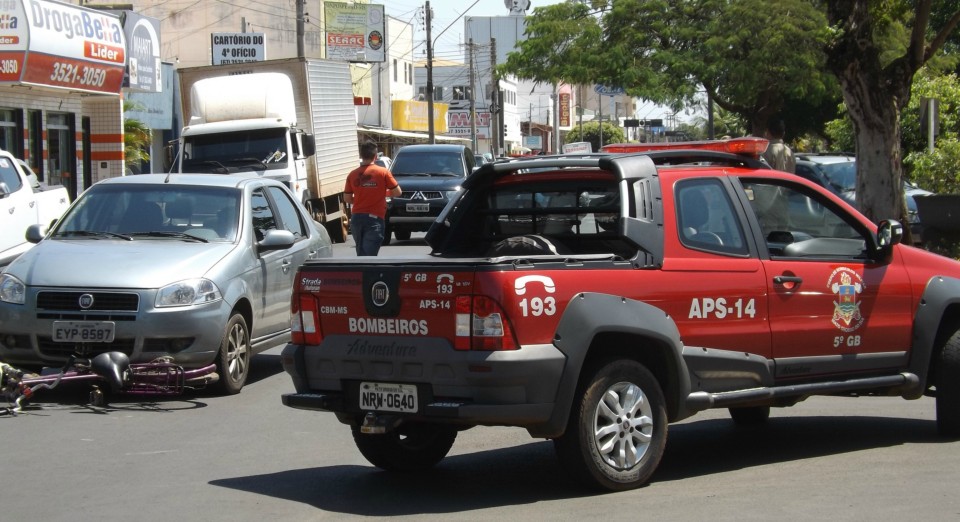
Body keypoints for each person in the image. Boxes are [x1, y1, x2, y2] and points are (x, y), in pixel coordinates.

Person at [344, 141, 401, 256]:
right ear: (375, 156)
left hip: (356, 218)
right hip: (374, 218)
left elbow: (347, 198)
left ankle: (361, 273)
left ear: (361, 156)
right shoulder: (383, 172)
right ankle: (368, 274)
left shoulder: (352, 174)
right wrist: (381, 194)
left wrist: (362, 198)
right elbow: (397, 192)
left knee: (361, 254)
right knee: (370, 256)